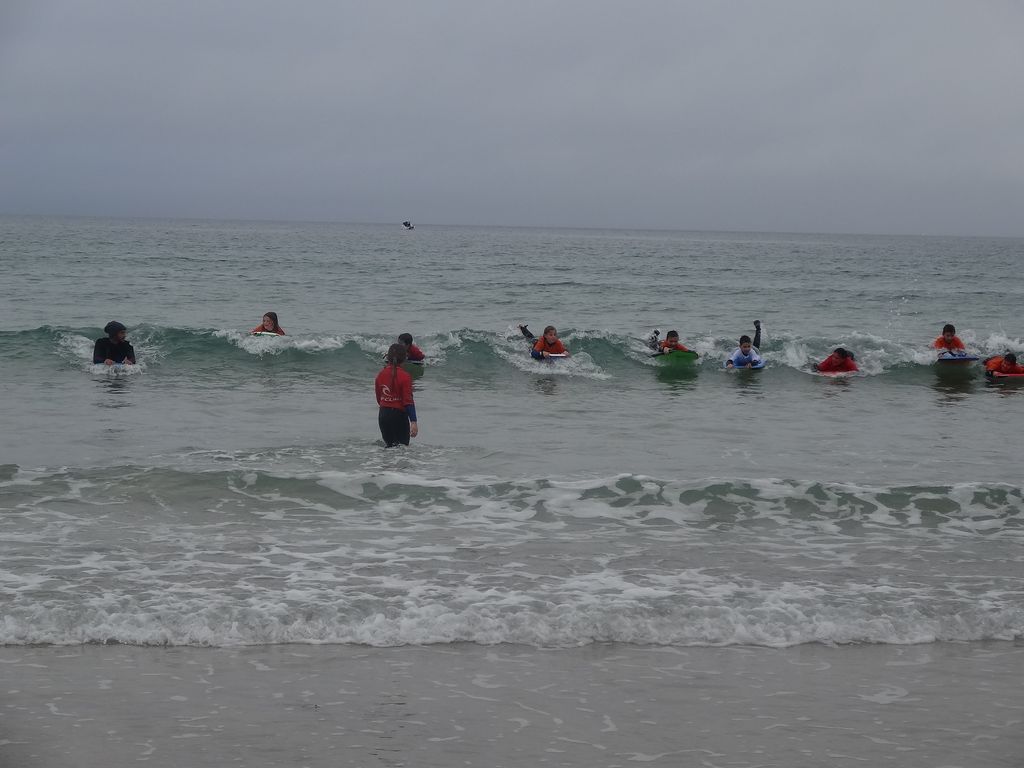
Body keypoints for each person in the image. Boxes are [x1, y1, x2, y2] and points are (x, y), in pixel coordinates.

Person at [375, 343, 418, 447]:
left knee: (389, 446)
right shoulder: (405, 376)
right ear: (405, 358)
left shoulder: (381, 374)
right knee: (402, 448)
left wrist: (388, 403)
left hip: (383, 415)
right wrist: (413, 421)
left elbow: (379, 398)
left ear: (387, 357)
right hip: (399, 416)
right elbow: (408, 401)